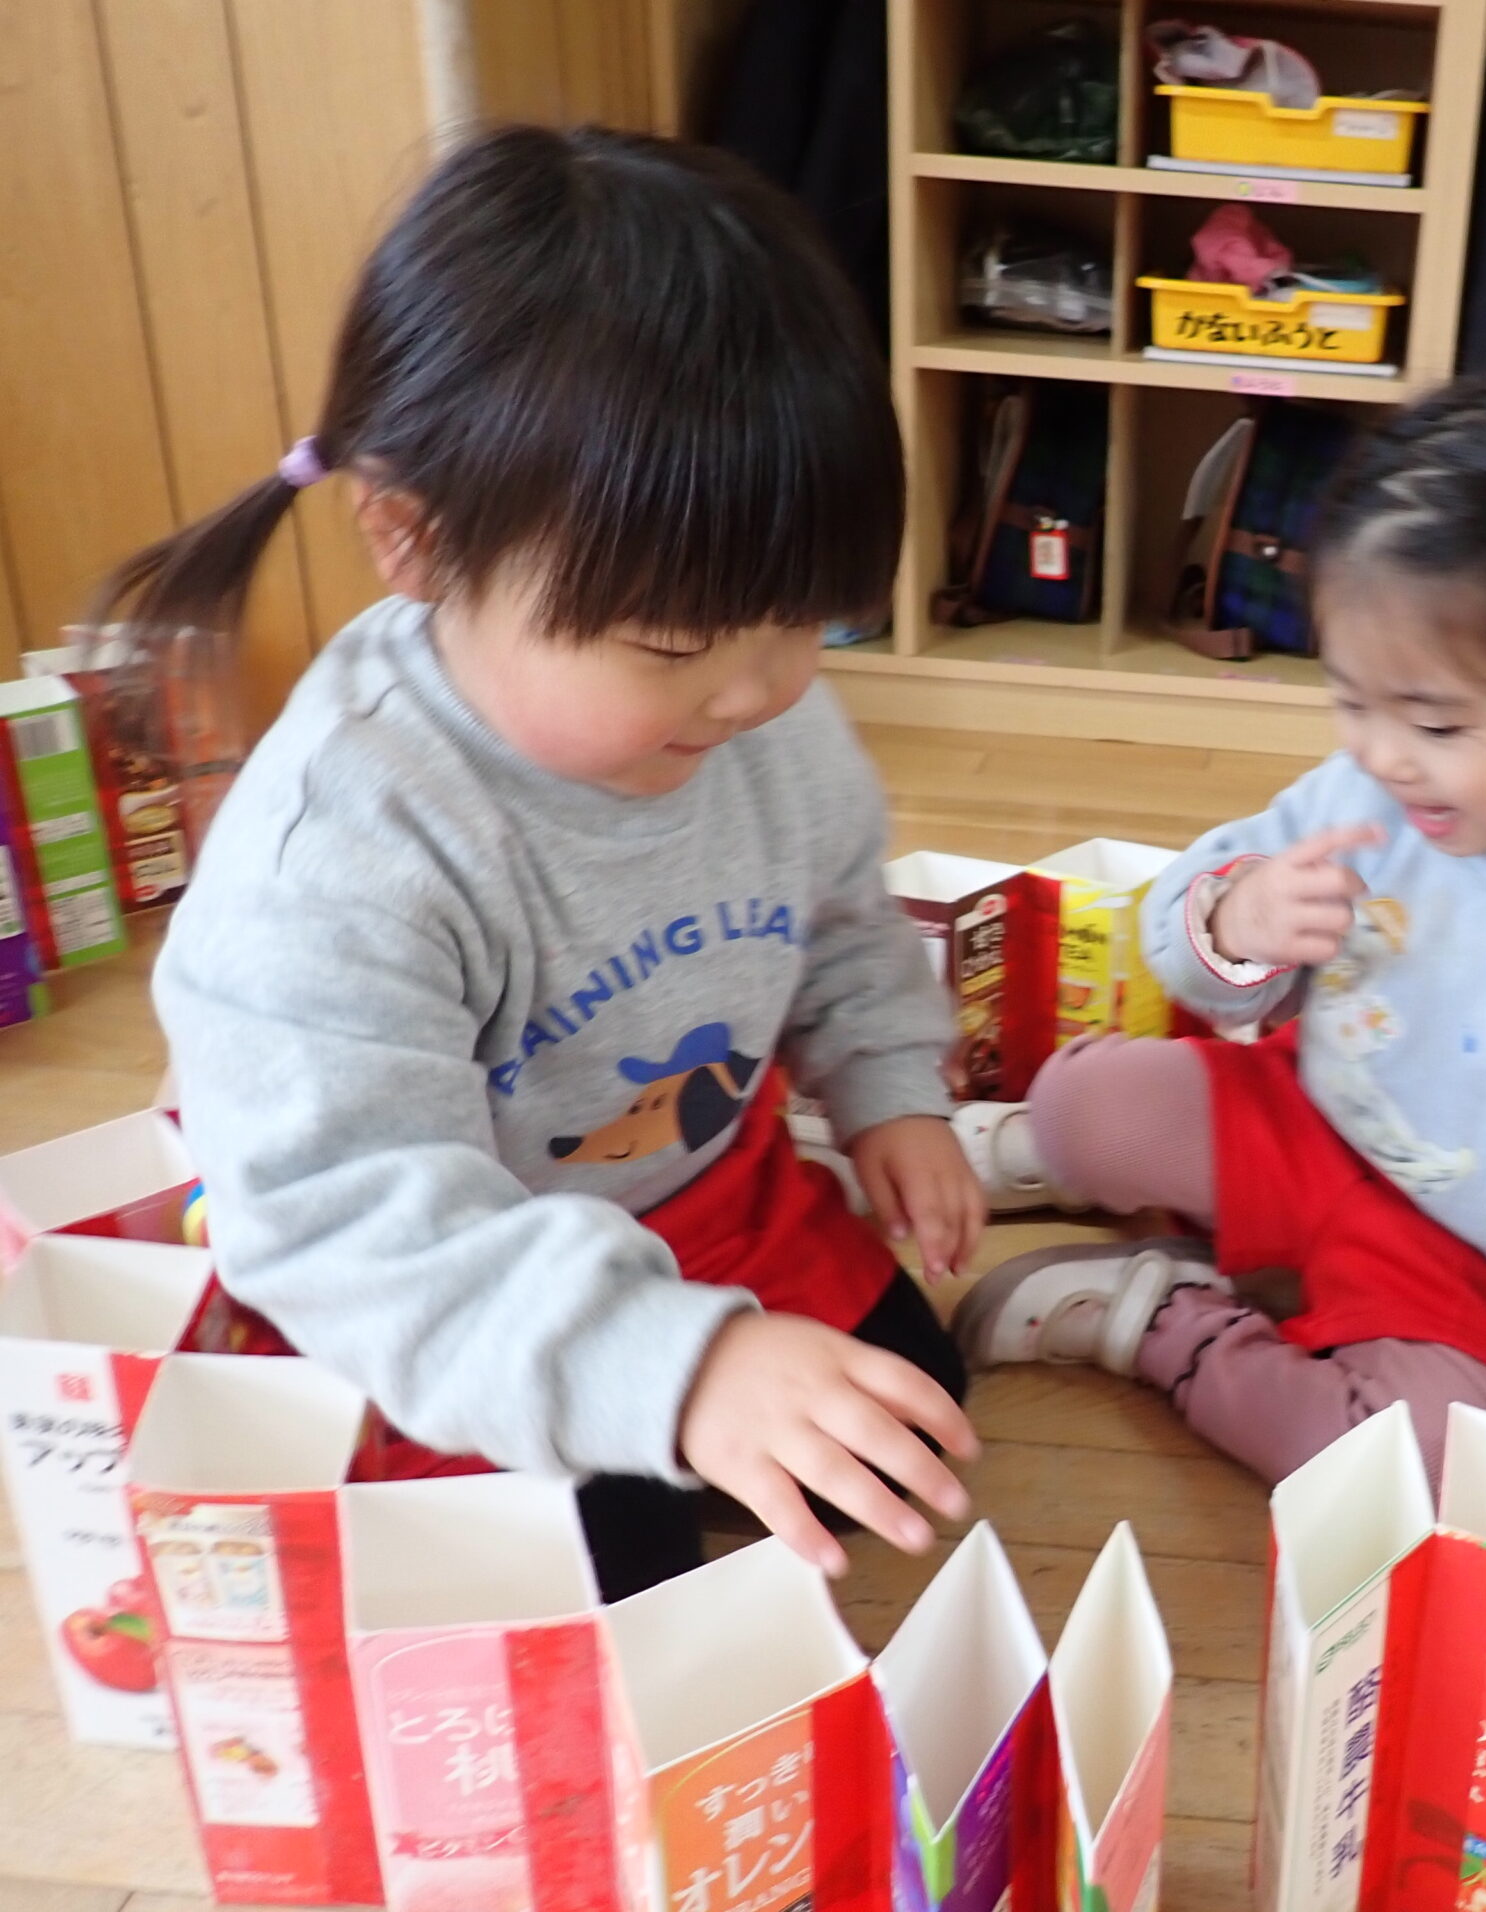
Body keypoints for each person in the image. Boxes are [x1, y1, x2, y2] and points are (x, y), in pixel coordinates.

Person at [115, 126, 982, 1600]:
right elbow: (357, 1223)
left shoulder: (756, 709)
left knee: (909, 1428)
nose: (757, 691)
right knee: (615, 1595)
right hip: (467, 1267)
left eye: (804, 622)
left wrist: (891, 1086)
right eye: (672, 646)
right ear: (411, 539)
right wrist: (682, 1368)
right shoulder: (344, 846)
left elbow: (840, 914)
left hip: (703, 1188)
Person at [951, 376, 1486, 1484]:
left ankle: (1166, 1319)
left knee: (1413, 1461)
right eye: (1353, 703)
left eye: (1435, 723)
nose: (1383, 756)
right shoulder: (1376, 789)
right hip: (1306, 1126)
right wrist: (1238, 917)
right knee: (1081, 1099)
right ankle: (1047, 1155)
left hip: (1470, 1273)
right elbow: (1181, 936)